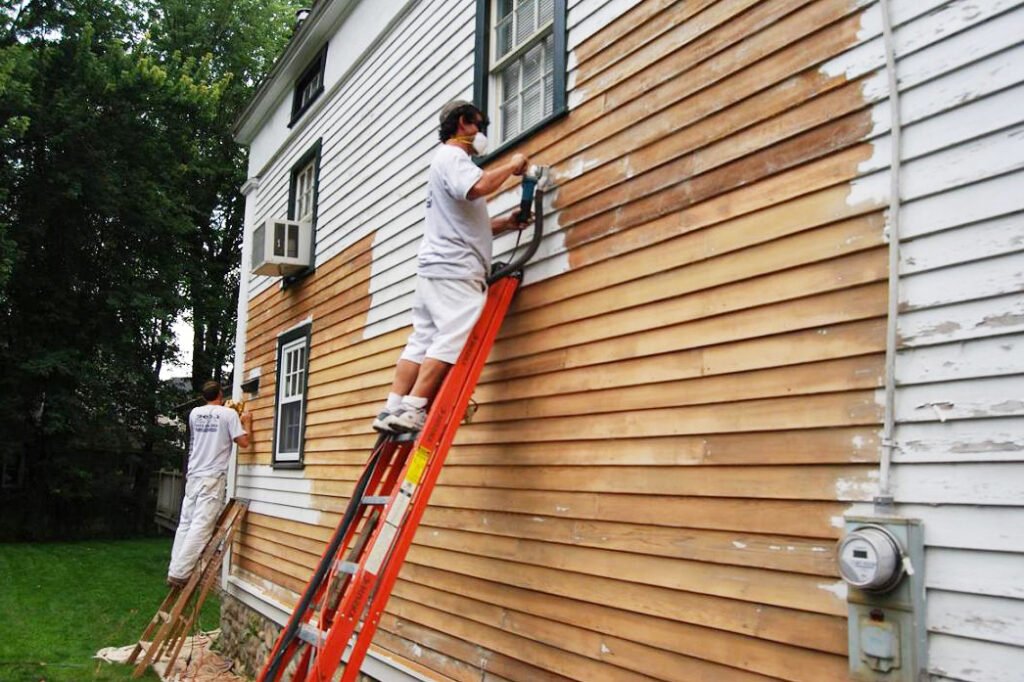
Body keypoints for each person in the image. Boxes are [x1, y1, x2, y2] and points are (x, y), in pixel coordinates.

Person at [373, 100, 530, 433]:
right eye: (479, 125)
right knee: (453, 336)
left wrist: (506, 223)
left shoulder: (442, 163)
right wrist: (514, 164)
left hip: (434, 269)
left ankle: (392, 408)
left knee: (422, 339)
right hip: (455, 270)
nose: (481, 134)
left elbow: (465, 224)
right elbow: (481, 186)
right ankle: (414, 408)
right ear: (464, 123)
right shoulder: (453, 156)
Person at [167, 380, 252, 587]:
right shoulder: (229, 415)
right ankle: (180, 573)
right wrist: (246, 422)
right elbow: (244, 443)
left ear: (204, 396)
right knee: (202, 525)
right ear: (220, 395)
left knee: (186, 523)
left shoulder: (194, 414)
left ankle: (174, 568)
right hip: (212, 477)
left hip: (194, 475)